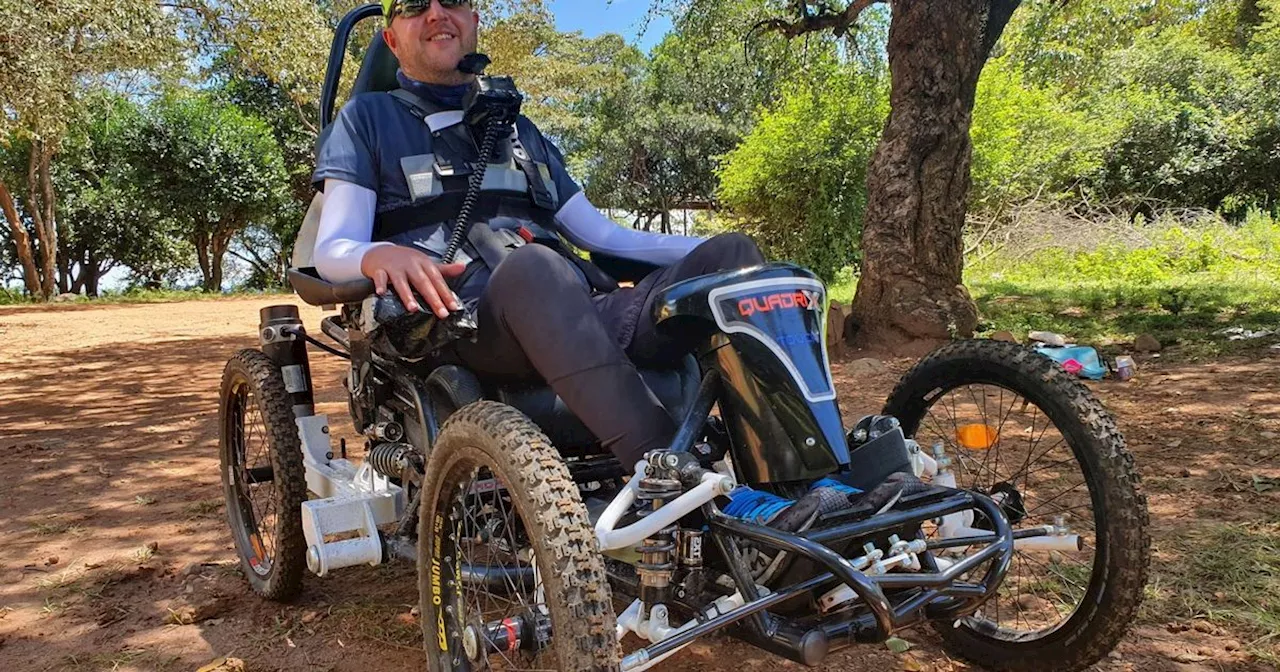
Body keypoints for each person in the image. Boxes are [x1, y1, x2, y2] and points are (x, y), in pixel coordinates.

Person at [311, 0, 764, 467]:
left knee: (735, 256)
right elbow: (331, 250)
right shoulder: (365, 120)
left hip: (577, 315)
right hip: (463, 327)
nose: (436, 13)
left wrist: (715, 253)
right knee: (535, 268)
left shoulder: (519, 132)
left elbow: (607, 238)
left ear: (474, 22)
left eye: (453, 1)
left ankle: (801, 493)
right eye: (413, 6)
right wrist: (378, 255)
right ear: (391, 39)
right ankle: (673, 482)